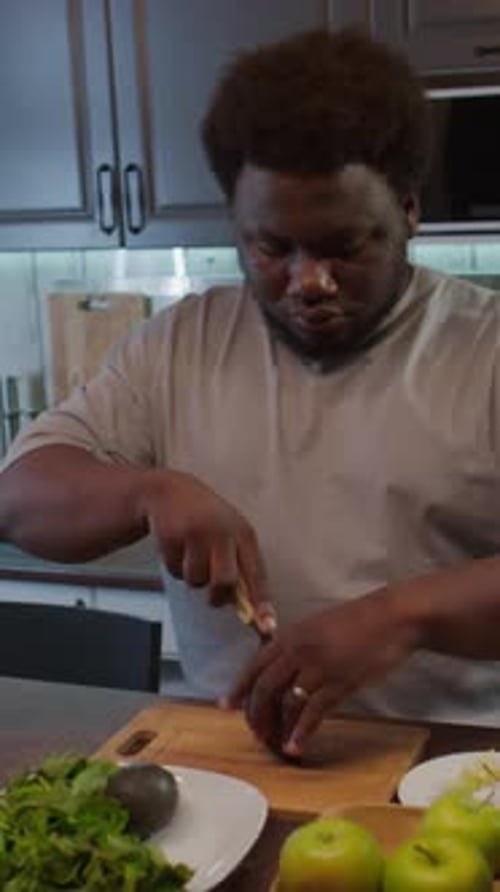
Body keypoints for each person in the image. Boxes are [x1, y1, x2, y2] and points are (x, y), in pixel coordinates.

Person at [1, 28, 500, 759]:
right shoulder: (177, 346)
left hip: (450, 772)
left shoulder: (484, 348)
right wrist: (146, 491)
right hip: (226, 765)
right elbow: (17, 499)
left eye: (343, 246)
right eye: (272, 248)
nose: (309, 282)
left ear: (410, 210)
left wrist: (404, 617)